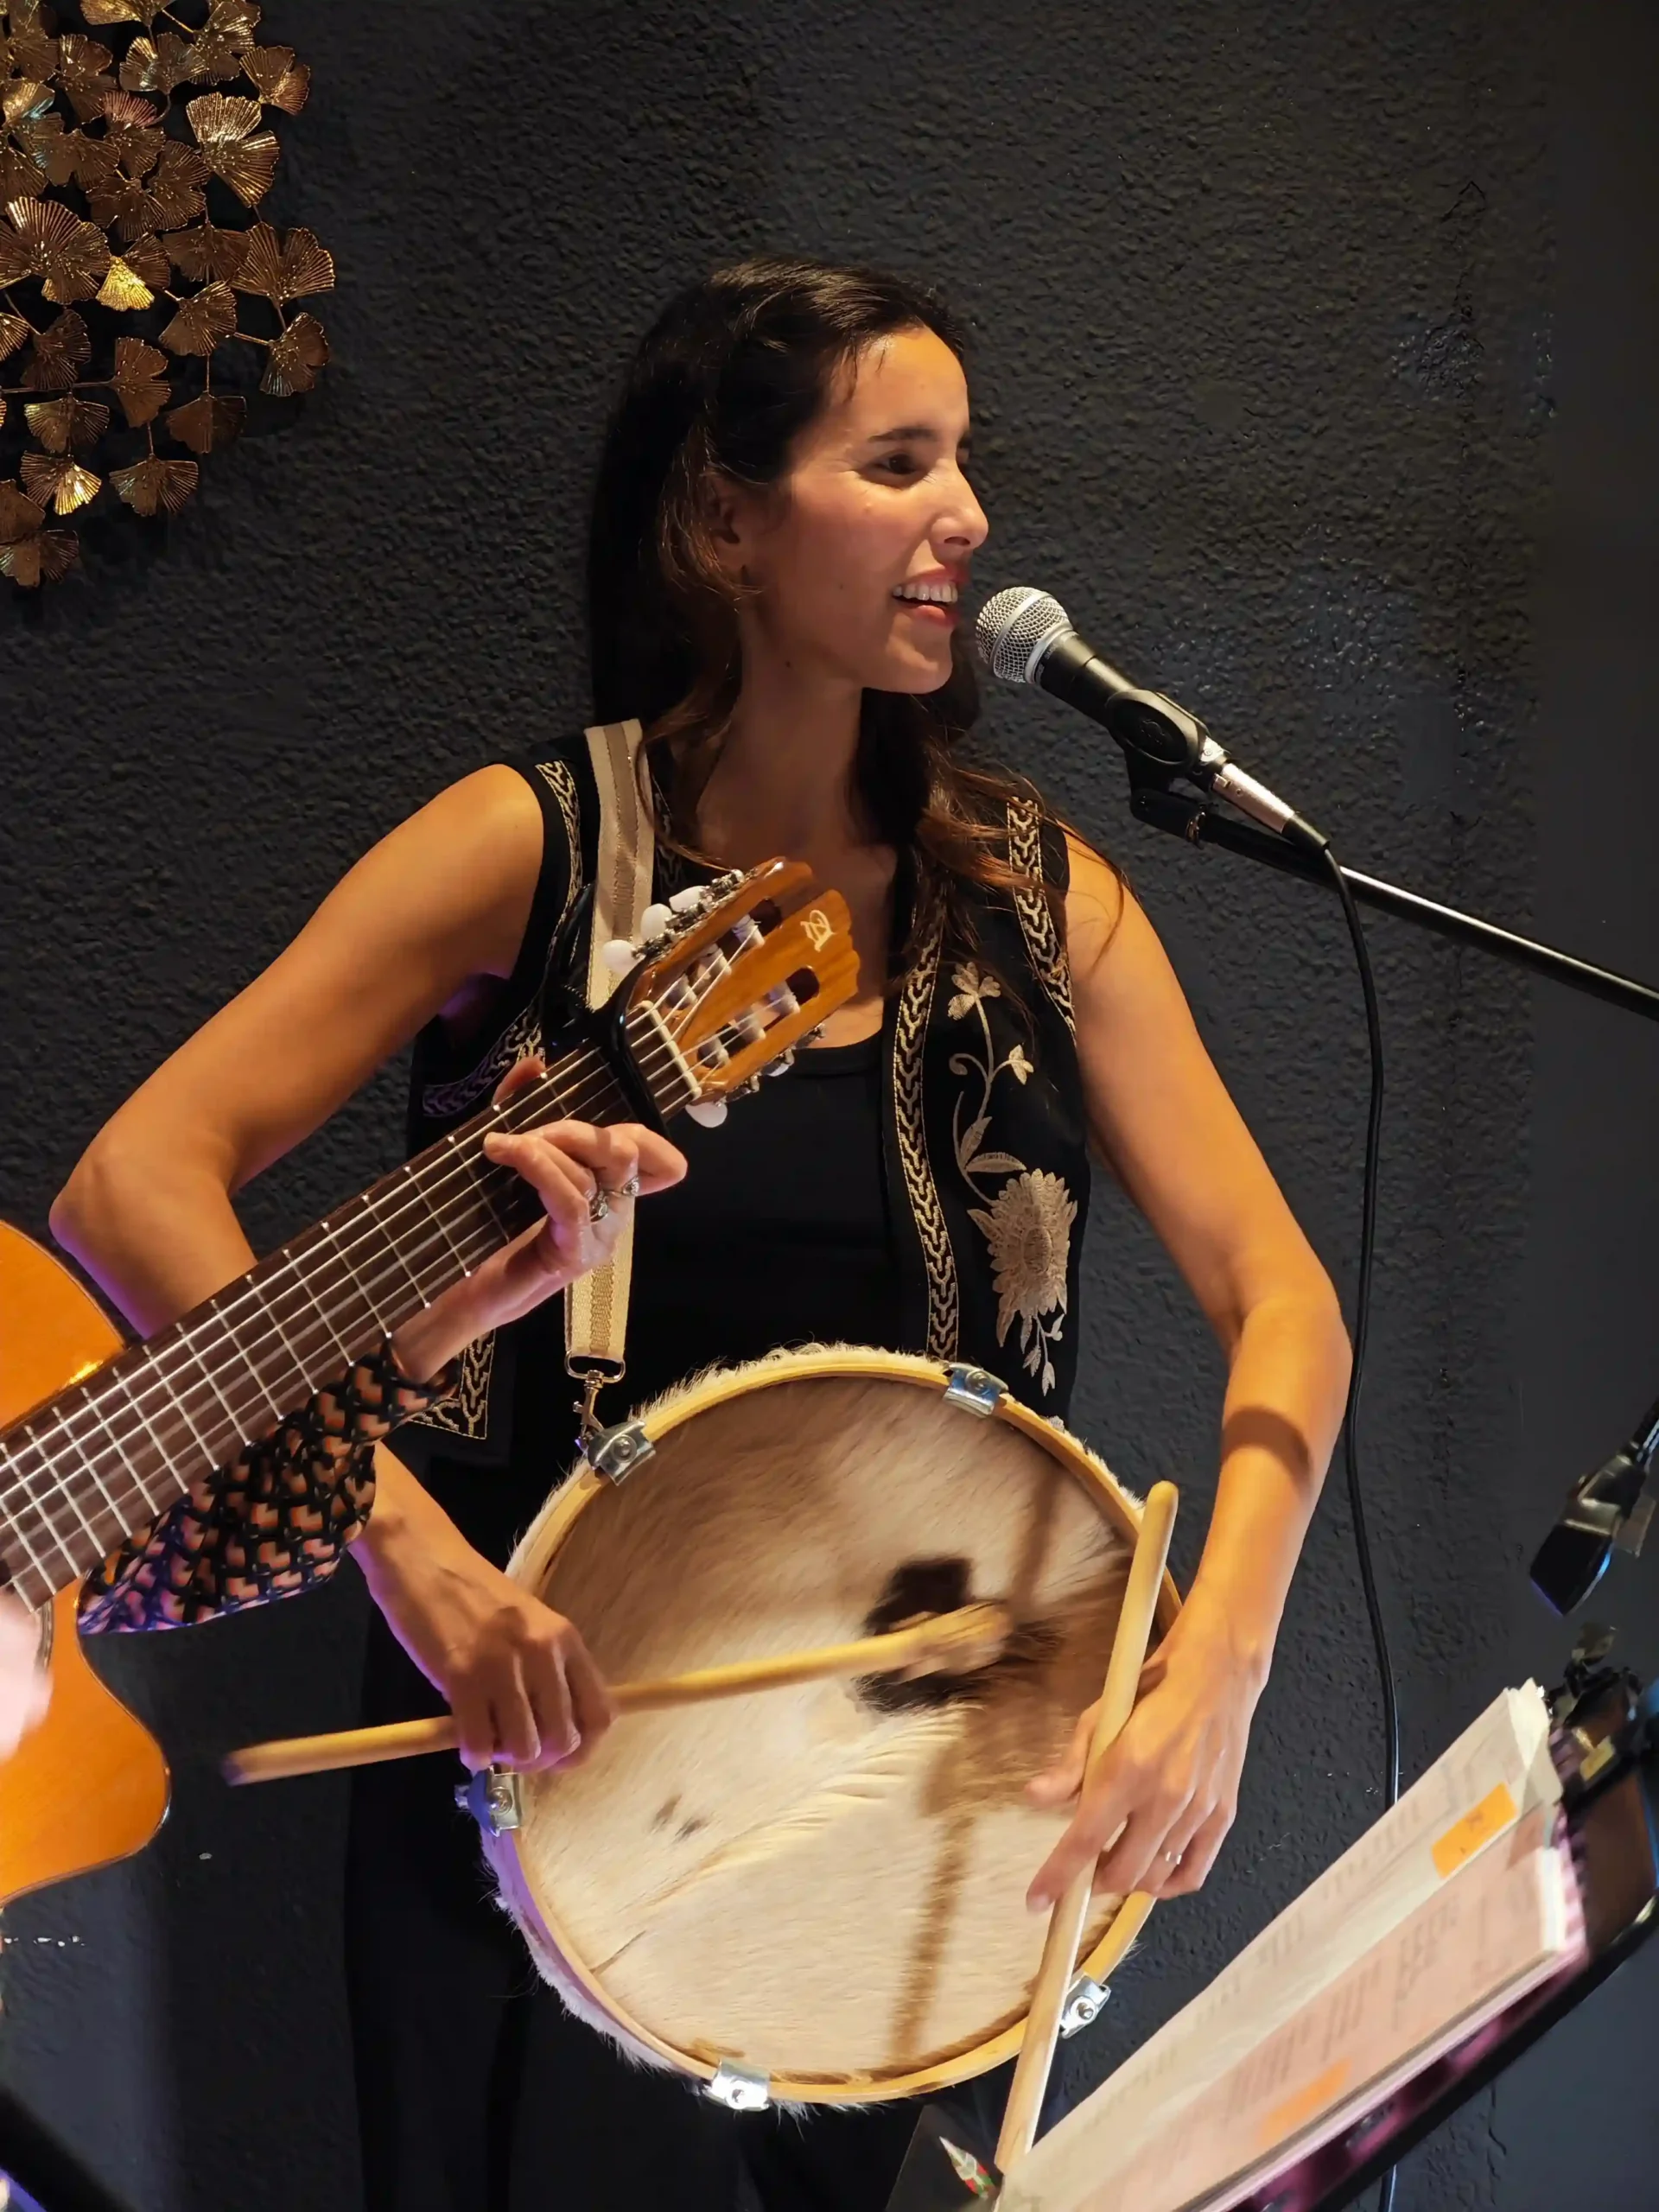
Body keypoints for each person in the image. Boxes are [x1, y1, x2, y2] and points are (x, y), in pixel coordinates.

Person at [54, 257, 1351, 2211]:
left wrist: (1219, 1667)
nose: (966, 517)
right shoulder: (532, 848)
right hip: (539, 1796)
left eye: (966, 466)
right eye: (898, 461)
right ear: (726, 520)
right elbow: (136, 1177)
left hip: (893, 1843)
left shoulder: (1036, 892)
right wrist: (417, 1567)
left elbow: (1286, 1303)